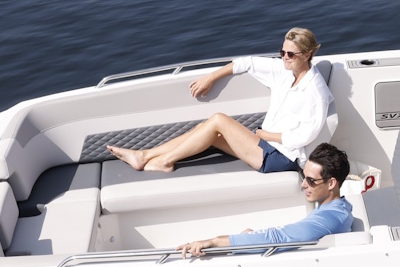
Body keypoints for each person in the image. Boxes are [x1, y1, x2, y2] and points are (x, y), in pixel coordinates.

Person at [108, 27, 333, 174]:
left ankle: (164, 161)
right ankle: (144, 155)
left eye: (290, 54)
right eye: (282, 52)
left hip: (280, 156)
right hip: (265, 145)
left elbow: (305, 136)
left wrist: (266, 135)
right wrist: (211, 77)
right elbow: (247, 63)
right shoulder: (285, 71)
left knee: (218, 120)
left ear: (307, 54)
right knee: (205, 129)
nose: (284, 58)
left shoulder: (316, 91)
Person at [176, 143, 355, 257]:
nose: (303, 185)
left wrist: (214, 242)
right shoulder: (335, 208)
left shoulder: (331, 217)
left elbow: (278, 238)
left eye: (311, 180)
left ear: (331, 183)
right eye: (303, 176)